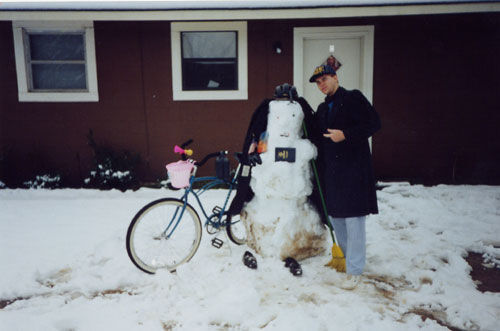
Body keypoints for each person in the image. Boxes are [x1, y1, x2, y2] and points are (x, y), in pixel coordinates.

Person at [309, 64, 381, 289]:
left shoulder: (353, 98)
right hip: (332, 172)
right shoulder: (322, 109)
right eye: (318, 82)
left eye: (324, 80)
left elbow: (374, 124)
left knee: (354, 219)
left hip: (354, 169)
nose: (321, 85)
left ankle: (356, 270)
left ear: (335, 77)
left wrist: (346, 135)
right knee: (338, 218)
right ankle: (347, 260)